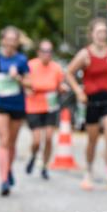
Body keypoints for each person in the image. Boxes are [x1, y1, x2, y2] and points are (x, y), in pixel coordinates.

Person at [65, 18, 107, 191]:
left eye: (104, 32)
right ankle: (89, 172)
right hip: (92, 101)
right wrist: (78, 91)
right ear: (91, 34)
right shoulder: (85, 54)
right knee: (92, 140)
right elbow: (68, 73)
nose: (101, 35)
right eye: (98, 32)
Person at [0, 26, 31, 196]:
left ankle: (8, 168)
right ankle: (4, 180)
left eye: (14, 39)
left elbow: (30, 84)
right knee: (4, 140)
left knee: (12, 142)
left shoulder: (21, 60)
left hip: (17, 105)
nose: (11, 42)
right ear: (2, 39)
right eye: (8, 39)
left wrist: (18, 78)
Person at [25, 39, 66, 180]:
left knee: (48, 137)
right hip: (33, 106)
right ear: (38, 52)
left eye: (49, 51)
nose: (46, 54)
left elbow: (60, 86)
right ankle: (33, 155)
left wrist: (63, 89)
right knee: (37, 140)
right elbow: (25, 81)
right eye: (44, 51)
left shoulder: (57, 68)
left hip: (50, 106)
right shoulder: (31, 65)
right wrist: (29, 86)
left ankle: (45, 166)